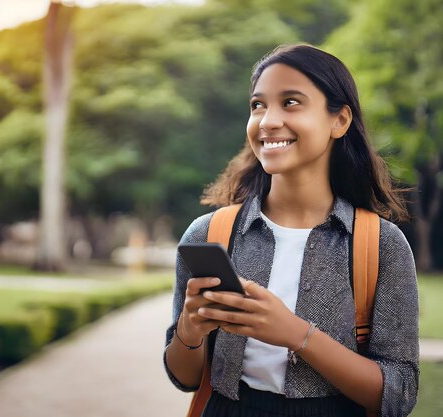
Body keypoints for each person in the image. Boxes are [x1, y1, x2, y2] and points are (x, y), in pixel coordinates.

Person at [164, 44, 419, 417]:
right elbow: (185, 378)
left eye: (291, 102)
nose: (267, 120)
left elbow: (399, 395)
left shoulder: (381, 245)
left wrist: (297, 335)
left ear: (340, 121)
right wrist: (189, 331)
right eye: (258, 105)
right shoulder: (209, 233)